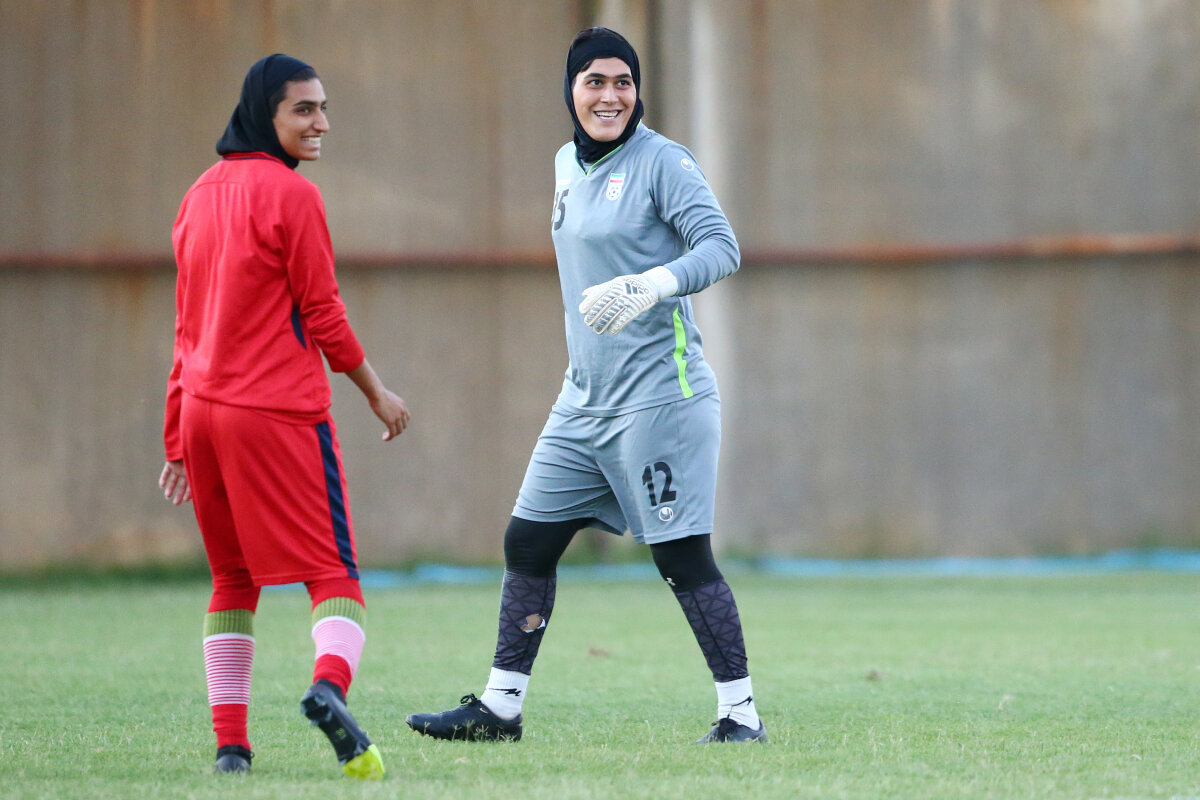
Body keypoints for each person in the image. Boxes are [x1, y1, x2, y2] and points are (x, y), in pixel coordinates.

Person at [405, 27, 766, 745]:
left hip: (661, 398)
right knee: (527, 541)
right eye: (594, 81)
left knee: (681, 557)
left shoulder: (663, 161)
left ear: (638, 90)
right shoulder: (565, 162)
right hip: (582, 401)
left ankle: (740, 715)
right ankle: (501, 709)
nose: (610, 96)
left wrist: (651, 283)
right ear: (570, 90)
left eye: (622, 82)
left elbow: (721, 247)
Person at [158, 53, 409, 779]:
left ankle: (231, 749)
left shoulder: (198, 194)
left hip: (203, 413)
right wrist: (375, 391)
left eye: (323, 107)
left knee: (232, 580)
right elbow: (322, 312)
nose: (320, 122)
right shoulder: (294, 196)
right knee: (334, 573)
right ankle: (328, 689)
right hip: (276, 411)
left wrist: (175, 436)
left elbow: (186, 327)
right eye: (303, 108)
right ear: (263, 113)